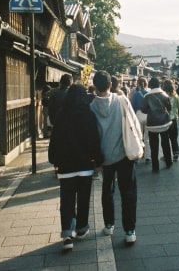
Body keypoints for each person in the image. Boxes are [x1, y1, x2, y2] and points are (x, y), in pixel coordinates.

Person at [48, 84, 103, 250]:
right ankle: (81, 228)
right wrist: (98, 160)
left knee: (67, 200)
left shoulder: (61, 115)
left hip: (65, 166)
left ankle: (67, 234)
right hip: (85, 164)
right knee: (84, 198)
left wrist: (54, 160)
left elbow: (54, 140)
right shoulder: (88, 114)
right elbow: (95, 139)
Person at [89, 70, 138, 245]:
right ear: (111, 85)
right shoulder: (122, 100)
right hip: (124, 153)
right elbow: (134, 122)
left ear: (95, 87)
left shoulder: (92, 107)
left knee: (107, 191)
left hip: (105, 156)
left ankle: (109, 225)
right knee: (128, 192)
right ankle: (129, 231)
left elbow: (91, 134)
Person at [141, 77, 173, 172]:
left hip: (152, 124)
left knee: (154, 145)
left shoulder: (147, 96)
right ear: (159, 84)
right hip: (164, 122)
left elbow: (143, 110)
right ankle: (168, 162)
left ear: (150, 85)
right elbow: (169, 108)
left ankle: (155, 167)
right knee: (166, 142)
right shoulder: (164, 95)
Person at [131, 76, 150, 161]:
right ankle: (148, 156)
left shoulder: (136, 94)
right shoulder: (149, 93)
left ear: (138, 84)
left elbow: (133, 107)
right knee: (147, 137)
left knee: (139, 135)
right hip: (148, 115)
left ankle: (140, 152)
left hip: (138, 114)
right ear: (146, 84)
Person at [163, 79, 179, 161]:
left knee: (165, 138)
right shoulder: (176, 95)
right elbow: (178, 105)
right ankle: (176, 152)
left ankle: (166, 155)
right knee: (174, 137)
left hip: (165, 119)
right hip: (173, 118)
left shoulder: (163, 95)